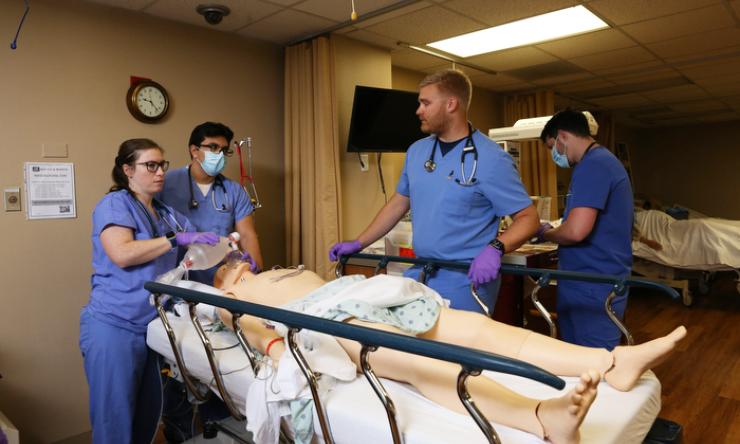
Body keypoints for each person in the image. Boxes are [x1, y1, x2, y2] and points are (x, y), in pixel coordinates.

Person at [210, 260, 686, 444]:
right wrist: (277, 351)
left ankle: (610, 362)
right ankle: (541, 417)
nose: (240, 262)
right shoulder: (231, 298)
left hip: (362, 295)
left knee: (478, 327)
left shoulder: (280, 267)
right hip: (326, 322)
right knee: (421, 361)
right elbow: (261, 334)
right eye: (233, 268)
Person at [329, 69, 539, 314]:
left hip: (466, 279)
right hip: (420, 273)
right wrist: (359, 242)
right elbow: (399, 202)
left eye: (425, 103)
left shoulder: (492, 159)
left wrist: (495, 248)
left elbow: (528, 218)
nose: (419, 110)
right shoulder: (417, 151)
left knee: (454, 350)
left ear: (451, 104)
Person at [79, 139, 219, 444]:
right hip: (113, 326)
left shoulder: (166, 213)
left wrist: (231, 253)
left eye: (162, 165)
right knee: (114, 421)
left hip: (151, 328)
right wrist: (174, 240)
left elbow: (198, 248)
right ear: (127, 169)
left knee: (146, 416)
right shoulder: (115, 204)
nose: (159, 173)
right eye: (150, 165)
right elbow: (122, 252)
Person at [536, 109, 633, 350]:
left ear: (562, 137)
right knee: (578, 361)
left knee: (595, 367)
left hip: (593, 284)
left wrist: (545, 233)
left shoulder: (595, 165)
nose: (554, 154)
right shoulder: (599, 163)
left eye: (552, 147)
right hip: (586, 281)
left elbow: (575, 231)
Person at [159, 121, 263, 285]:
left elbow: (247, 235)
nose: (219, 154)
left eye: (223, 150)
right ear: (194, 150)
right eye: (213, 147)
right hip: (176, 278)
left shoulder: (234, 191)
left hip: (219, 279)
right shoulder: (165, 184)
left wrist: (257, 277)